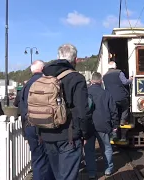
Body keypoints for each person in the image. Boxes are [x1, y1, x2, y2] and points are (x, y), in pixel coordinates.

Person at [41, 44, 92, 180]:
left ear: (58, 57)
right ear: (74, 59)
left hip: (47, 134)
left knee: (57, 176)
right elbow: (83, 111)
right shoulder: (76, 78)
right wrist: (86, 134)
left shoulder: (44, 76)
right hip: (69, 137)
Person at [19, 60, 55, 180]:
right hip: (44, 126)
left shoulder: (26, 85)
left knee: (37, 159)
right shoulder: (46, 82)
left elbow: (19, 105)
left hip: (29, 125)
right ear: (43, 68)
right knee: (49, 158)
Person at [84, 72, 118, 179]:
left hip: (89, 126)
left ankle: (91, 172)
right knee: (106, 148)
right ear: (100, 81)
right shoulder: (106, 93)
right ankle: (108, 169)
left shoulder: (86, 93)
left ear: (91, 81)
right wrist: (114, 125)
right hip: (103, 125)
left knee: (89, 150)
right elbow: (113, 110)